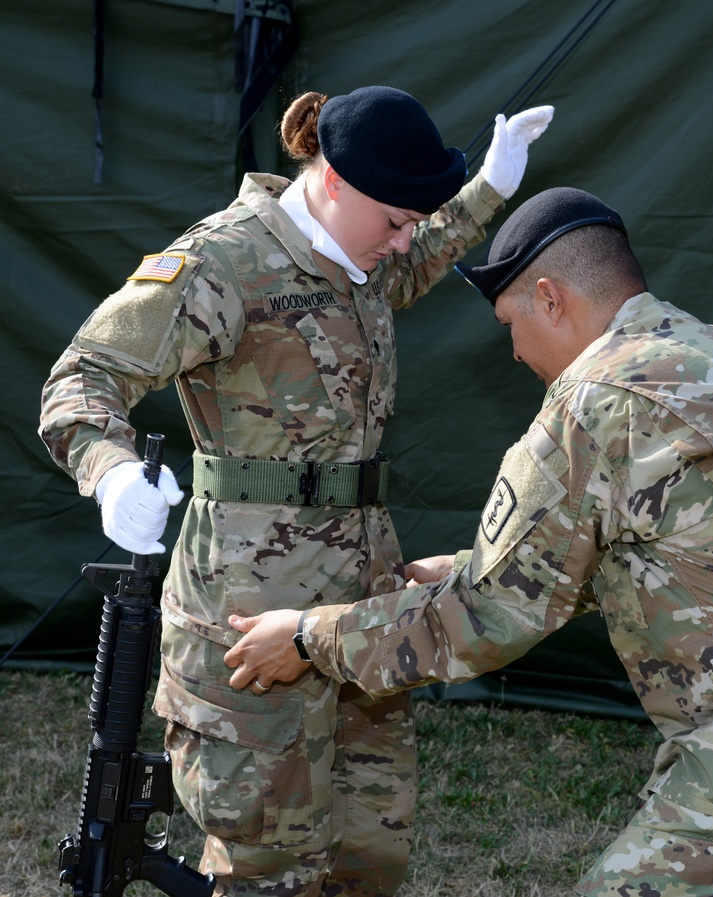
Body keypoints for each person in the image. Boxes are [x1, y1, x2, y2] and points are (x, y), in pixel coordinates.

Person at [221, 186, 713, 896]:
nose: (514, 352)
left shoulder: (593, 402)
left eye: (512, 323)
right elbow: (691, 547)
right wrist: (463, 567)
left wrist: (312, 636)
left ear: (552, 298)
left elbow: (485, 617)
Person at [39, 86, 553, 896]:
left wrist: (488, 184)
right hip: (247, 619)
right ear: (337, 181)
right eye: (393, 220)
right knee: (266, 859)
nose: (405, 239)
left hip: (360, 608)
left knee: (366, 849)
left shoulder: (363, 255)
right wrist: (106, 470)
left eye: (411, 222)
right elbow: (82, 376)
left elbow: (415, 253)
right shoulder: (224, 262)